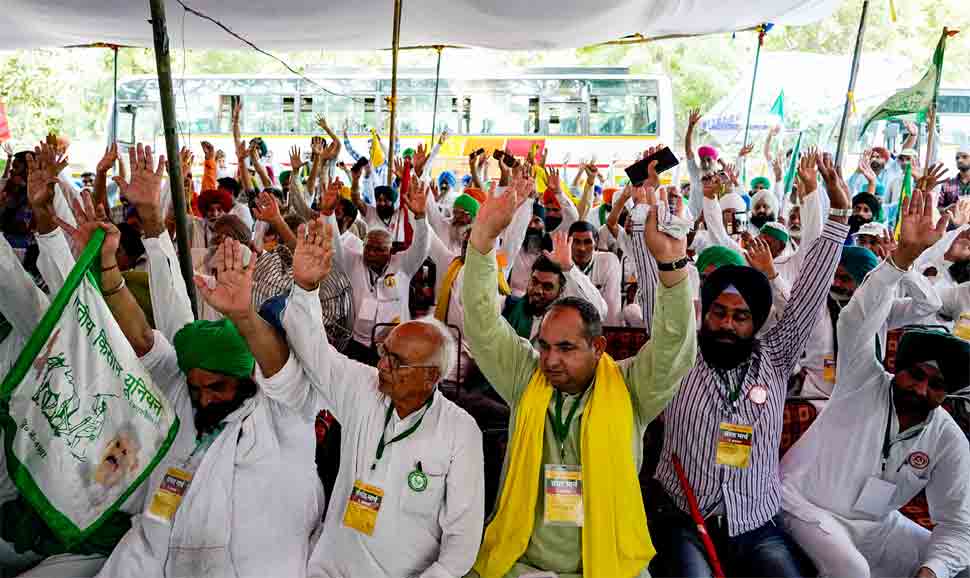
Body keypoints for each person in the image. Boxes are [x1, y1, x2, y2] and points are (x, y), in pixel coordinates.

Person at [79, 144, 322, 578]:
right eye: (197, 387)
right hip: (155, 551)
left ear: (245, 377)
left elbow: (278, 366)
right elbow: (143, 336)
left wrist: (245, 316)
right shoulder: (182, 388)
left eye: (217, 388)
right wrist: (118, 260)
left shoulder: (283, 410)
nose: (204, 398)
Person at [463, 151, 698, 578]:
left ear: (599, 347)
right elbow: (481, 323)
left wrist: (671, 268)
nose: (550, 359)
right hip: (523, 564)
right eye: (546, 346)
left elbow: (675, 345)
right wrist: (481, 239)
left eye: (567, 348)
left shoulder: (631, 389)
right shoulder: (527, 376)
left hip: (608, 566)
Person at [639, 149, 851, 578]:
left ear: (756, 323)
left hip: (755, 522)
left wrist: (838, 216)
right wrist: (646, 203)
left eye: (740, 317)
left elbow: (809, 294)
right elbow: (653, 295)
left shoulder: (774, 357)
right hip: (684, 516)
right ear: (705, 312)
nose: (727, 325)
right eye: (719, 312)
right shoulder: (681, 353)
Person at [258, 215, 485, 577]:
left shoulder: (460, 432)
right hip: (331, 565)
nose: (382, 365)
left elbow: (462, 543)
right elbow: (316, 352)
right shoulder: (363, 388)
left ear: (431, 377)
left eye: (397, 361)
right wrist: (304, 287)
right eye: (383, 352)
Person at [781, 188, 970, 578]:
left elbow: (958, 524)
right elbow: (854, 321)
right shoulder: (862, 380)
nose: (920, 388)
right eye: (915, 374)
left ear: (946, 393)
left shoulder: (947, 436)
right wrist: (900, 259)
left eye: (935, 384)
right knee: (853, 571)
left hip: (876, 526)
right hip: (805, 504)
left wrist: (932, 571)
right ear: (896, 366)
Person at [332, 179, 431, 365]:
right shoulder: (354, 260)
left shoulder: (402, 265)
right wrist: (328, 214)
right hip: (357, 343)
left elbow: (421, 248)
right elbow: (334, 245)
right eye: (368, 248)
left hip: (393, 344)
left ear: (389, 251)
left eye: (378, 250)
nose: (370, 253)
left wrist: (420, 218)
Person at [566, 220, 621, 324]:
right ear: (568, 242)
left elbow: (612, 305)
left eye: (587, 242)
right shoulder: (560, 262)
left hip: (601, 325)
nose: (581, 248)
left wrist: (610, 334)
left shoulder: (609, 261)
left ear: (596, 242)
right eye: (576, 241)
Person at [939, 146, 970, 210]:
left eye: (964, 157)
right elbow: (940, 207)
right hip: (954, 219)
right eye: (957, 158)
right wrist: (949, 208)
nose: (959, 160)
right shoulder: (946, 184)